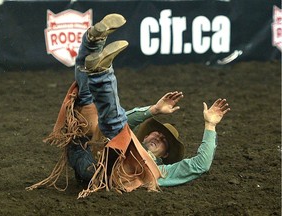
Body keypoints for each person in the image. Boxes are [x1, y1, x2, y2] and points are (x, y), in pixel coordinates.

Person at [26, 13, 230, 197]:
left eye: (163, 139)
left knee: (113, 125)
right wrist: (154, 110)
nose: (156, 136)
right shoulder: (131, 140)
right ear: (146, 135)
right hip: (90, 146)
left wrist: (210, 126)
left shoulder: (163, 172)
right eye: (155, 133)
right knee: (88, 104)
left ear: (166, 154)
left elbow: (200, 165)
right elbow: (128, 121)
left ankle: (102, 71)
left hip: (101, 170)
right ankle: (93, 42)